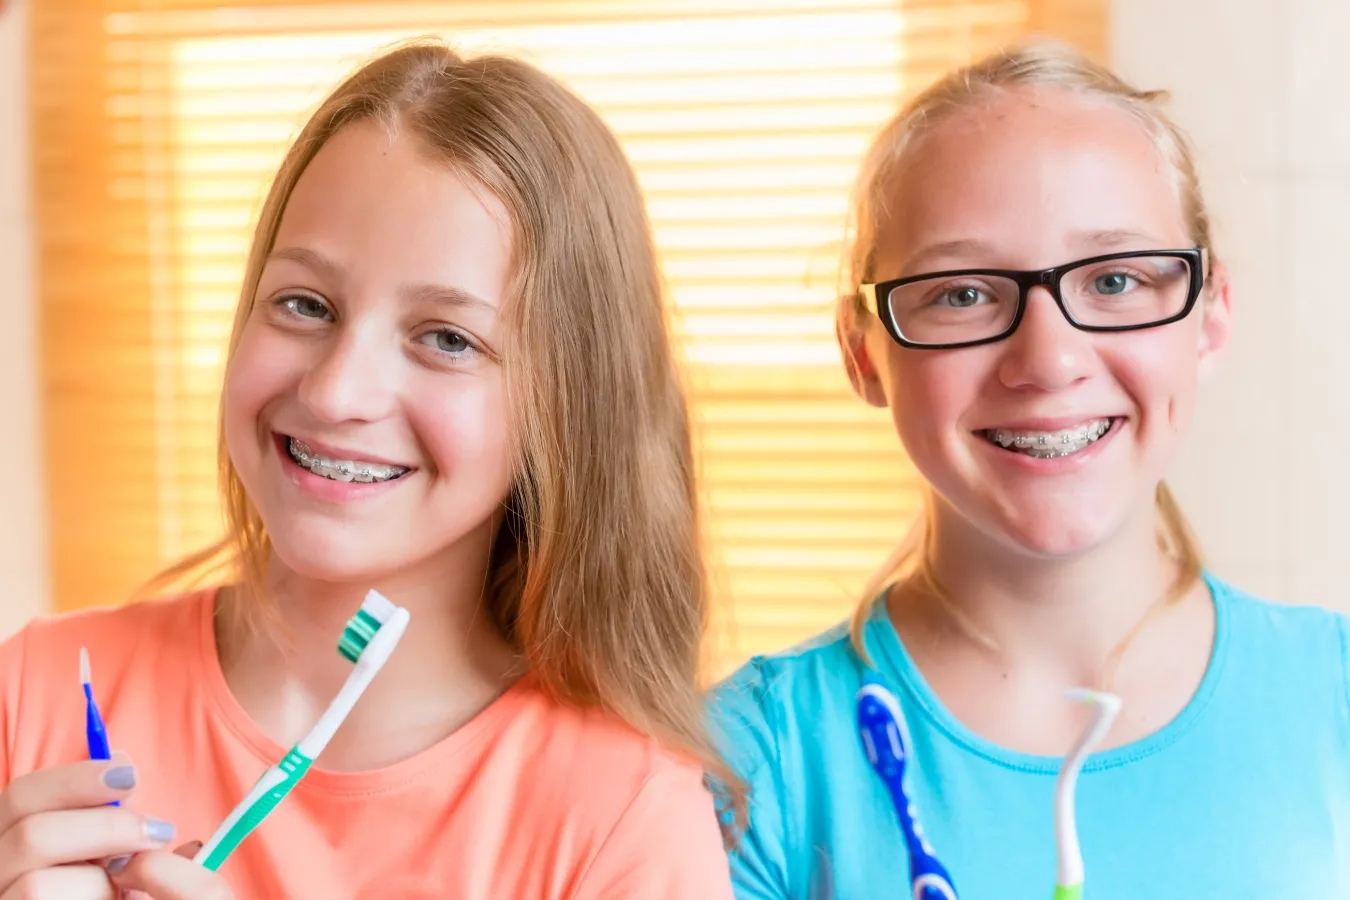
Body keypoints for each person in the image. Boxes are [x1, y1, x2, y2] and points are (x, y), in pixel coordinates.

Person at [0, 40, 734, 899]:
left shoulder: (624, 818)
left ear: (569, 406)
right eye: (305, 304)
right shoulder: (36, 693)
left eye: (447, 339)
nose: (336, 390)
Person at [709, 40, 1350, 899]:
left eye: (1115, 281)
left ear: (1210, 319)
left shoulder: (1335, 698)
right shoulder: (752, 765)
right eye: (963, 293)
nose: (1048, 361)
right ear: (862, 352)